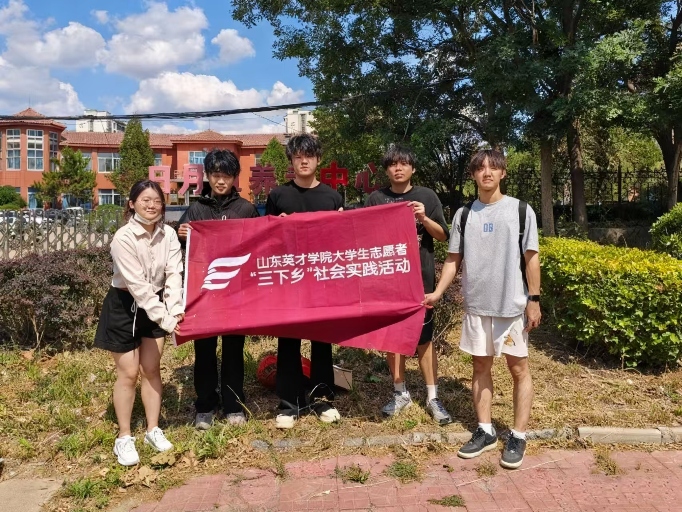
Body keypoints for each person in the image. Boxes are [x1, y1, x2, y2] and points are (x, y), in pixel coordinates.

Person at [424, 149, 541, 469]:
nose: (487, 172)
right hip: (476, 306)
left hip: (511, 307)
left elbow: (531, 257)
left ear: (503, 173)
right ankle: (485, 430)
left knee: (519, 370)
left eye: (493, 167)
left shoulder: (521, 210)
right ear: (473, 175)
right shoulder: (464, 215)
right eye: (480, 168)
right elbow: (453, 259)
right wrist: (437, 292)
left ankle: (518, 435)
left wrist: (534, 300)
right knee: (480, 367)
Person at [94, 180, 184, 466]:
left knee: (151, 369)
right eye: (145, 200)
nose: (151, 205)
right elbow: (137, 286)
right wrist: (166, 319)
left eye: (156, 201)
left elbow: (174, 273)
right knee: (129, 373)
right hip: (124, 305)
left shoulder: (169, 234)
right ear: (132, 204)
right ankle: (124, 436)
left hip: (155, 303)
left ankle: (152, 429)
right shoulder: (123, 238)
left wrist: (175, 308)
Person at [365, 145, 453, 425]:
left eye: (403, 163)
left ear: (412, 169)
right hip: (387, 282)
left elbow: (443, 236)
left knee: (425, 340)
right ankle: (399, 392)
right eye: (393, 164)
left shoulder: (427, 196)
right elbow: (362, 236)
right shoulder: (375, 199)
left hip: (420, 282)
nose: (398, 168)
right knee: (392, 338)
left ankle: (433, 396)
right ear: (386, 170)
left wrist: (424, 218)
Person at [177, 149, 260, 430]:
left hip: (236, 293)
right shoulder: (196, 209)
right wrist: (181, 233)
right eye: (215, 175)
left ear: (235, 177)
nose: (221, 181)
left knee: (234, 349)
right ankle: (205, 405)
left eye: (226, 175)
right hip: (204, 293)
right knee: (204, 350)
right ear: (208, 177)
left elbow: (259, 244)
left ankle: (234, 404)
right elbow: (180, 245)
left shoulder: (246, 209)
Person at [265, 133, 343, 429]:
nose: (304, 161)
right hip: (290, 278)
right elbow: (266, 240)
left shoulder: (332, 197)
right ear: (291, 161)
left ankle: (322, 399)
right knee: (288, 341)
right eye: (298, 156)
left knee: (322, 340)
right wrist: (278, 227)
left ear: (318, 159)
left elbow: (341, 241)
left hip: (322, 278)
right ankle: (289, 403)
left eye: (309, 156)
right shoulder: (278, 196)